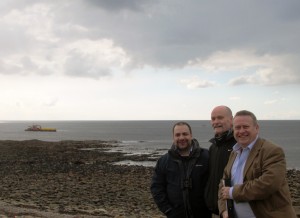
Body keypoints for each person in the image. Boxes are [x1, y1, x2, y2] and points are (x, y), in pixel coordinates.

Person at [219, 110, 297, 218]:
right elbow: (223, 184)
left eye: (245, 126)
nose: (241, 131)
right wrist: (224, 210)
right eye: (237, 127)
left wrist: (233, 192)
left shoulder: (272, 151)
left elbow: (268, 184)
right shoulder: (234, 153)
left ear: (256, 128)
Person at [151, 121, 211, 218]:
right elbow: (157, 187)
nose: (181, 138)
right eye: (177, 135)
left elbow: (215, 183)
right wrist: (168, 210)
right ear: (173, 137)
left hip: (203, 214)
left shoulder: (206, 156)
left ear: (191, 135)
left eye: (185, 134)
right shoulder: (164, 161)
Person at [204, 106, 236, 217]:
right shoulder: (213, 147)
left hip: (232, 210)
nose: (216, 122)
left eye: (220, 118)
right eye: (213, 119)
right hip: (213, 209)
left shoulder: (238, 145)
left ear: (231, 120)